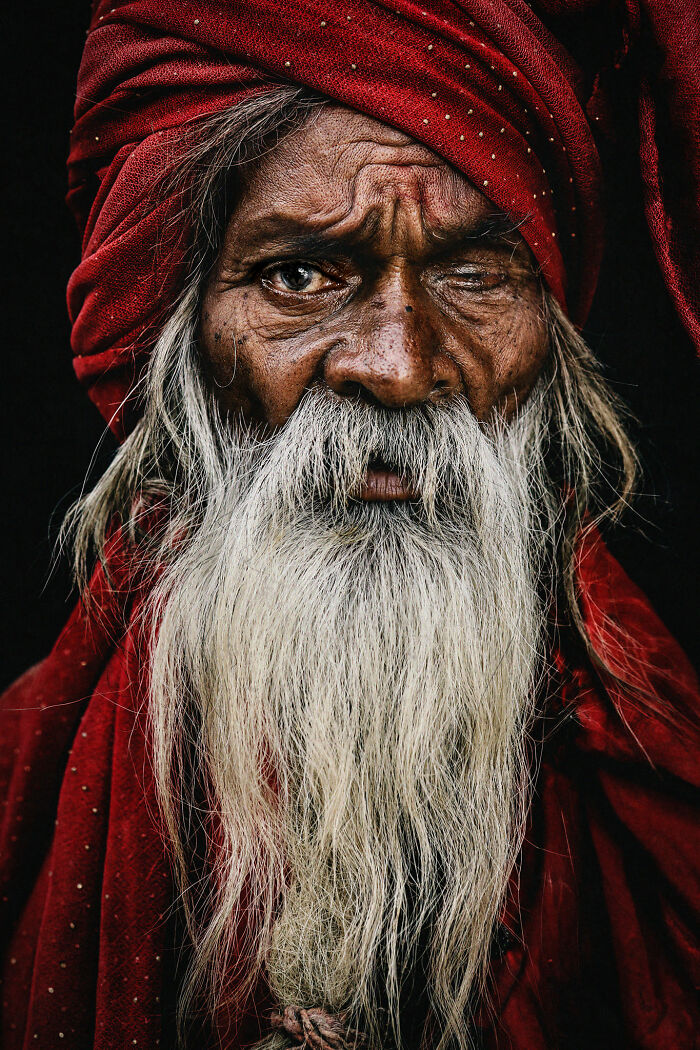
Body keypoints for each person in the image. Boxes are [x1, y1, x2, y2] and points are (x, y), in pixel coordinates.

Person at [1, 2, 698, 1049]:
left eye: (472, 275)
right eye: (299, 275)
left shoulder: (658, 786)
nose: (397, 364)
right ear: (180, 335)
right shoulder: (24, 787)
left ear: (552, 344)